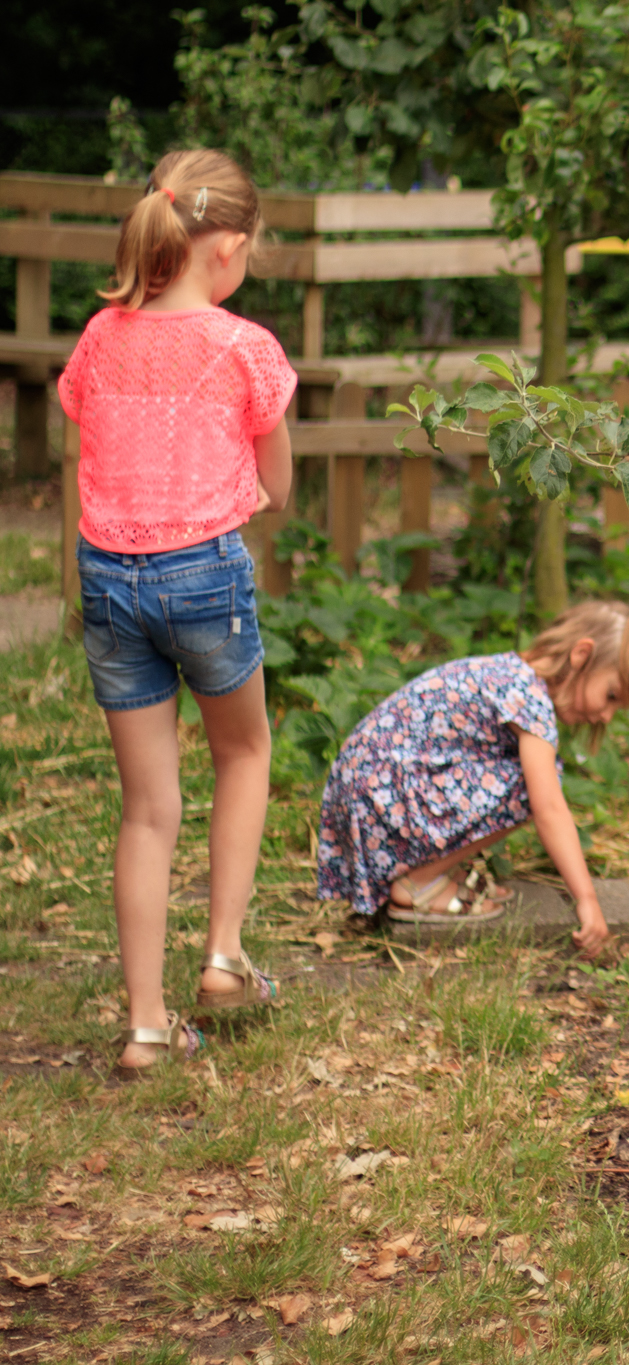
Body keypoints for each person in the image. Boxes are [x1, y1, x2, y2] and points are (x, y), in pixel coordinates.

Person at [58, 149, 296, 1075]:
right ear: (228, 249)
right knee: (244, 749)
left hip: (110, 579)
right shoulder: (246, 348)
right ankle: (224, 955)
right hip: (203, 575)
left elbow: (80, 410)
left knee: (147, 807)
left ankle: (147, 1027)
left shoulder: (99, 334)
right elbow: (276, 488)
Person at [315, 601, 629, 956]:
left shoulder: (509, 672)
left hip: (368, 790)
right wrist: (587, 899)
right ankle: (418, 883)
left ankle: (437, 870)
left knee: (522, 772)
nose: (605, 715)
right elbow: (549, 809)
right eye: (611, 696)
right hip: (379, 796)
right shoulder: (529, 699)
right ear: (581, 654)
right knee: (534, 784)